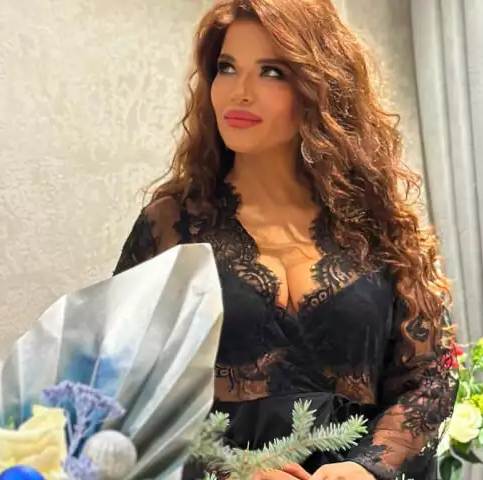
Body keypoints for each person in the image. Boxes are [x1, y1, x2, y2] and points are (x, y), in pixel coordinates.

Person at [113, 0, 458, 478]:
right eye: (227, 68)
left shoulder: (380, 228)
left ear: (320, 87)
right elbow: (119, 391)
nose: (240, 92)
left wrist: (368, 468)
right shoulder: (171, 226)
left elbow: (430, 379)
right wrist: (229, 471)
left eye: (271, 72)